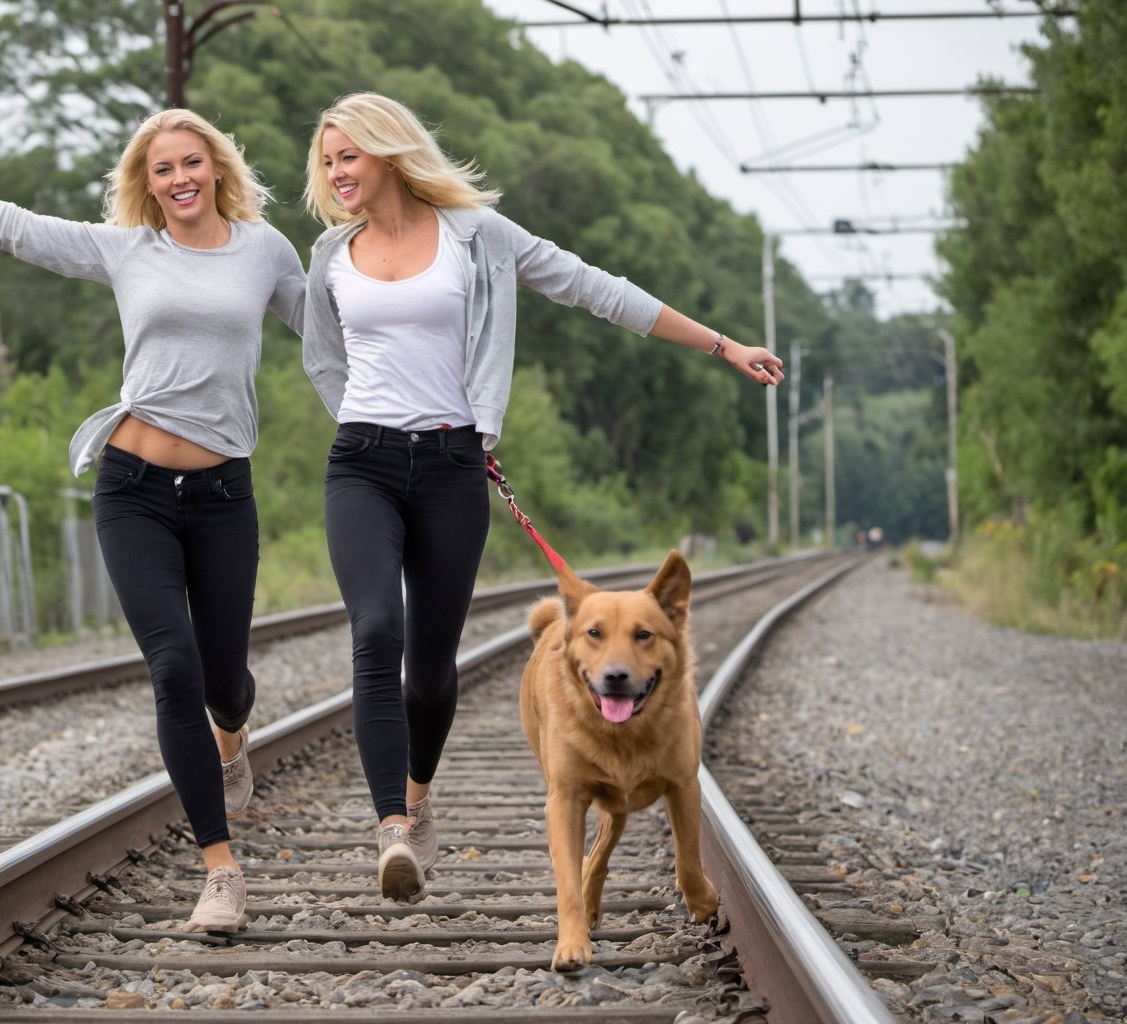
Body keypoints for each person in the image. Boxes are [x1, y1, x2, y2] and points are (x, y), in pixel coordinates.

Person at [0, 108, 305, 933]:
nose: (178, 179)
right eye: (161, 170)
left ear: (216, 168)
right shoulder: (127, 250)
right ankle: (220, 869)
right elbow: (8, 225)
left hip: (224, 497)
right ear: (145, 184)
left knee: (225, 682)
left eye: (191, 163)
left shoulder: (267, 253)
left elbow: (333, 331)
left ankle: (234, 737)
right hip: (132, 489)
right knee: (173, 668)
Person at [300, 92, 784, 903]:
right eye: (328, 159)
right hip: (362, 465)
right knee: (376, 630)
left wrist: (722, 343)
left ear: (389, 151)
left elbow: (596, 288)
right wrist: (367, 422)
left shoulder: (478, 237)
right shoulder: (329, 254)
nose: (337, 172)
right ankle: (391, 829)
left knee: (429, 668)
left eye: (349, 155)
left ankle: (419, 798)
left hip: (454, 468)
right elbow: (323, 356)